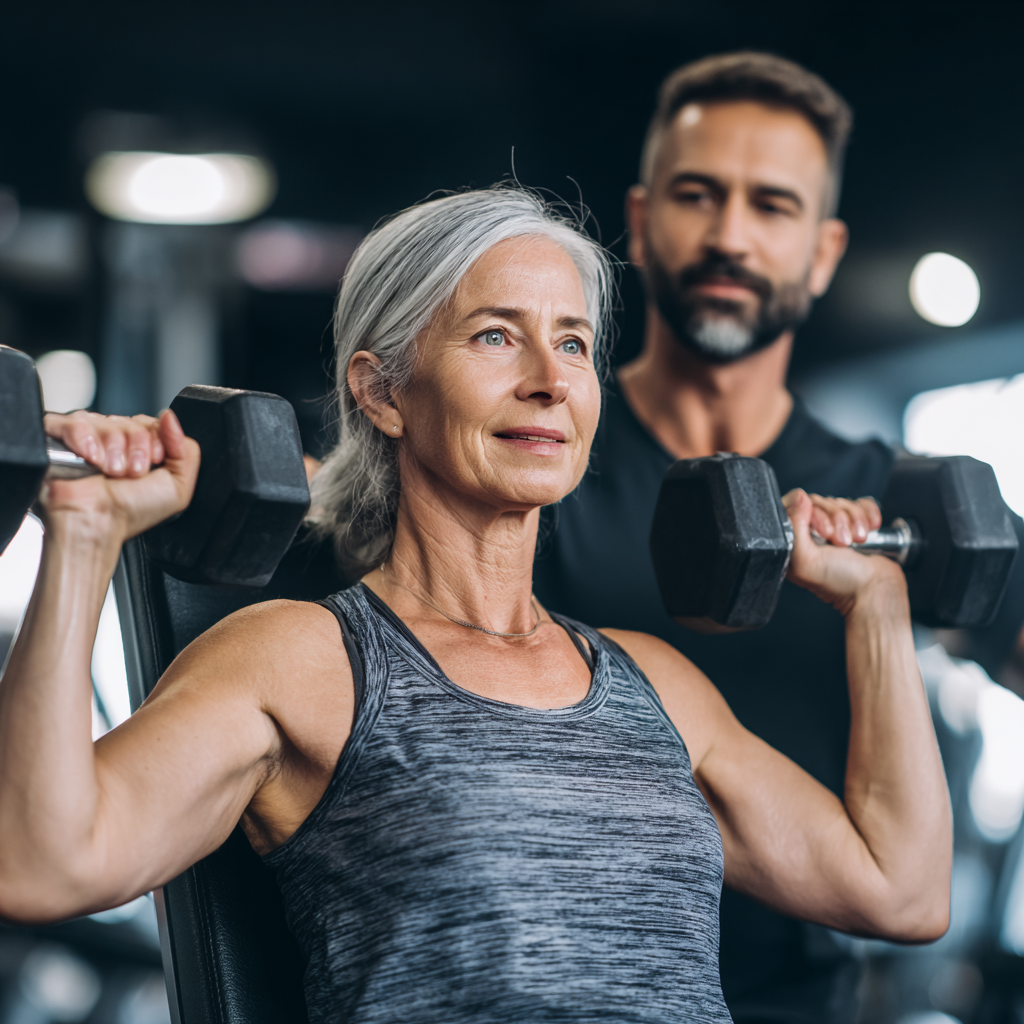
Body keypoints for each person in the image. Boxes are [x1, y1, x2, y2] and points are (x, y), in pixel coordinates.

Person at [0, 187, 951, 1024]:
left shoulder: (658, 687)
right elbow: (42, 863)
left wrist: (877, 605)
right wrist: (83, 538)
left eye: (572, 342)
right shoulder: (300, 661)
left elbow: (901, 890)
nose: (548, 376)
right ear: (382, 392)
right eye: (497, 334)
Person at [532, 51, 1024, 1023]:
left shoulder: (888, 497)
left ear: (824, 250)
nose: (729, 237)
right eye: (697, 195)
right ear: (638, 221)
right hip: (545, 989)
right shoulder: (534, 455)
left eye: (772, 206)